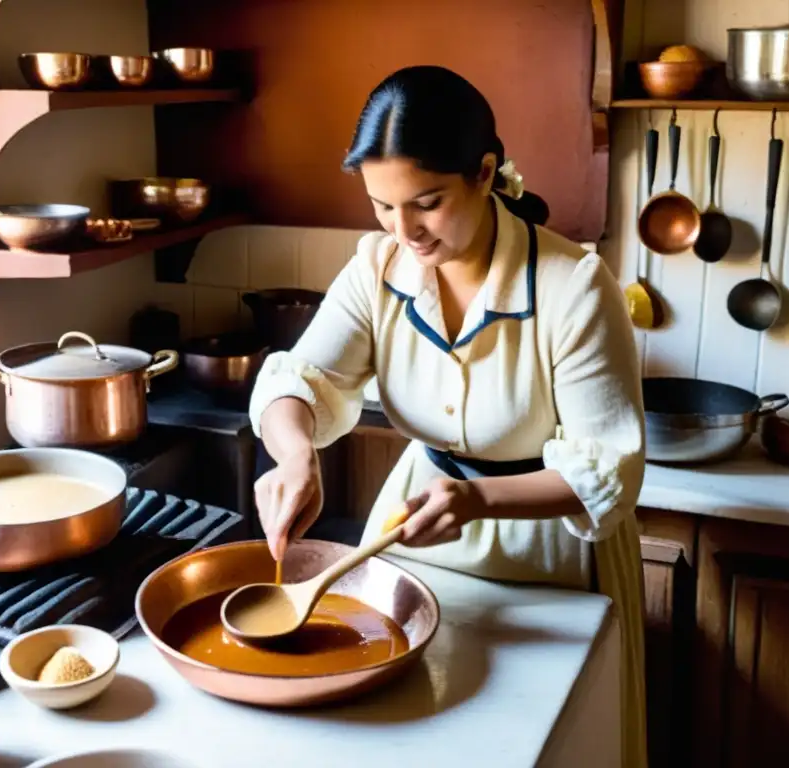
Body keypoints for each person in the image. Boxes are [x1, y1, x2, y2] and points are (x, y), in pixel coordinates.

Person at [247, 65, 647, 768]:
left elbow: (607, 469)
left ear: (486, 171)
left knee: (537, 745)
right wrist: (295, 455)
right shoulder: (377, 268)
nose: (404, 230)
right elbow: (300, 380)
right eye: (382, 206)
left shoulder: (574, 287)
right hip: (408, 546)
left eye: (426, 202)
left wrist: (479, 497)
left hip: (547, 558)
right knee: (409, 736)